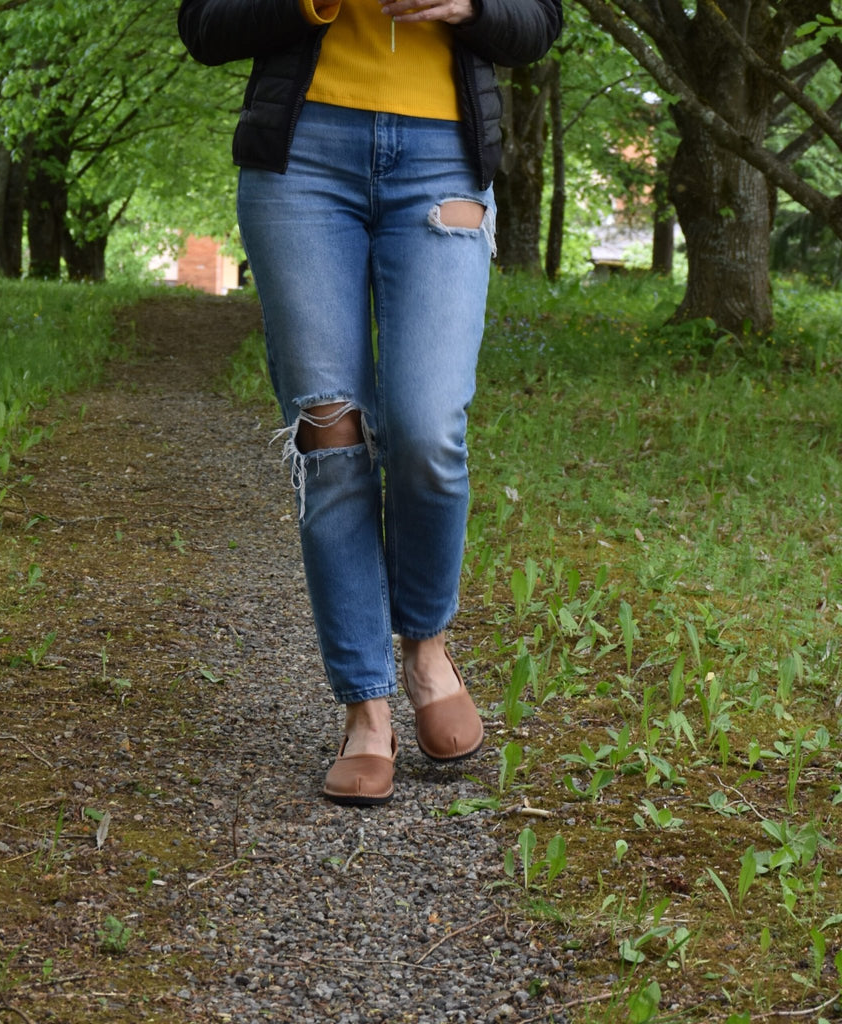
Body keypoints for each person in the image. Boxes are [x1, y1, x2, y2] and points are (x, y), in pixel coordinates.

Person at [178, 0, 563, 806]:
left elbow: (538, 23)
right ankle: (365, 707)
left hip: (444, 159)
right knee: (332, 432)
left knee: (427, 428)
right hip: (302, 161)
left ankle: (426, 647)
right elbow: (205, 25)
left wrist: (473, 5)